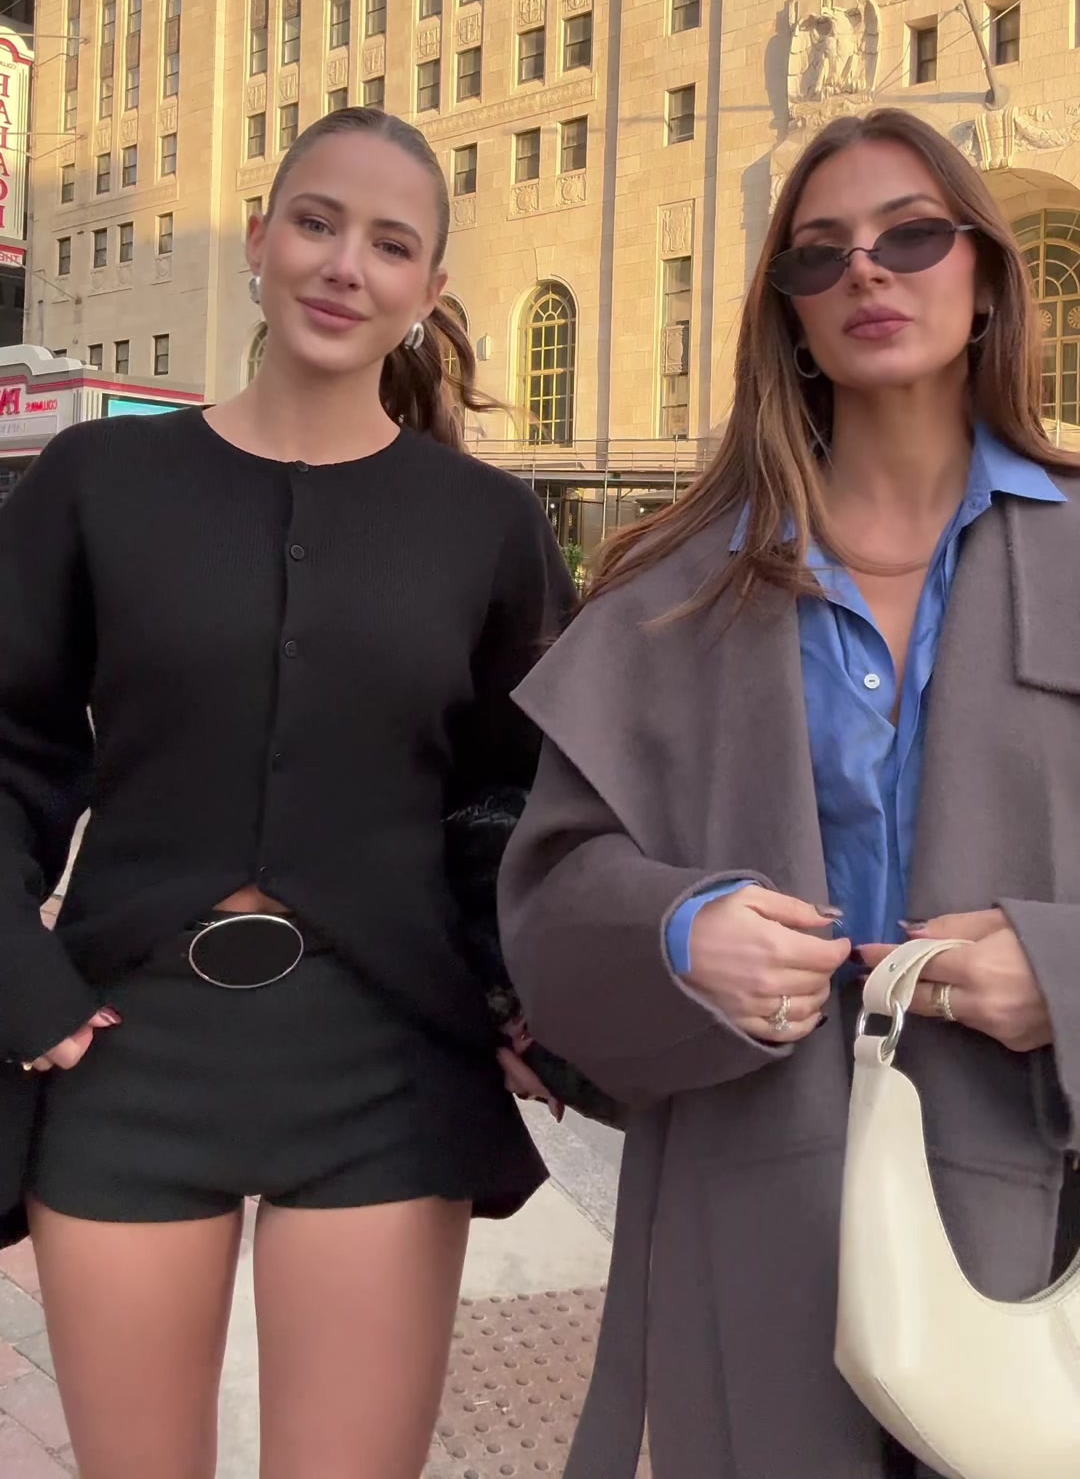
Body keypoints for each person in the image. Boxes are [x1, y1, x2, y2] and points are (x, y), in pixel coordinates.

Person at [499, 107, 1080, 1479]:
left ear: (985, 275)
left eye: (911, 236)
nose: (866, 270)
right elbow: (552, 889)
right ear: (791, 319)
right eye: (821, 254)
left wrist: (1063, 974)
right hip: (752, 1205)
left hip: (1039, 1212)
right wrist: (676, 931)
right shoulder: (674, 586)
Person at [0, 106, 574, 1479]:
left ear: (429, 289)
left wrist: (531, 1000)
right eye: (316, 222)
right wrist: (20, 981)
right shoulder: (97, 481)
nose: (344, 265)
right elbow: (9, 746)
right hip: (129, 1048)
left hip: (386, 1060)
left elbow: (527, 798)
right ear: (258, 240)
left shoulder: (490, 524)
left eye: (391, 244)